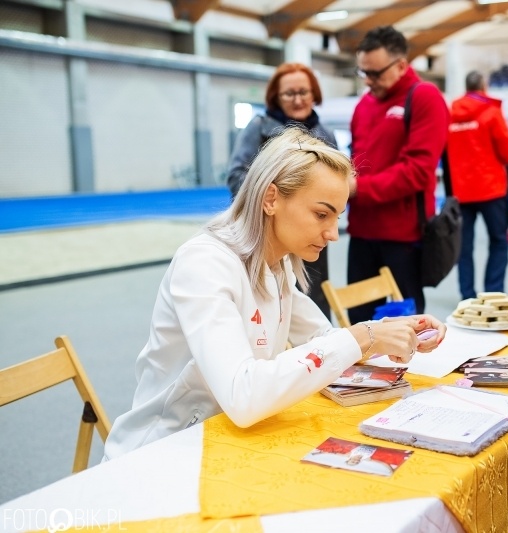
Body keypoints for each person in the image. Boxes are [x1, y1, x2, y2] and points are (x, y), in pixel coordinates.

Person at [104, 128, 446, 460]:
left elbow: (324, 337)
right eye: (321, 214)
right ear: (271, 199)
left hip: (223, 443)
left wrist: (392, 330)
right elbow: (243, 396)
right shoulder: (204, 263)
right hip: (161, 455)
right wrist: (363, 337)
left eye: (337, 217)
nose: (332, 234)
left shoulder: (276, 263)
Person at [347, 26, 449, 323]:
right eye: (362, 72)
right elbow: (356, 162)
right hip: (362, 231)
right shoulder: (364, 105)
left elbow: (417, 171)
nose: (368, 80)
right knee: (360, 322)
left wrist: (357, 189)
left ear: (402, 65)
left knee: (409, 325)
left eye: (375, 73)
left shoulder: (424, 97)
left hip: (403, 237)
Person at [225, 63, 336, 319]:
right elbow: (236, 177)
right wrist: (274, 204)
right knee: (266, 305)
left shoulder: (325, 134)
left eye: (304, 92)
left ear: (314, 94)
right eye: (289, 93)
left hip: (312, 234)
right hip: (269, 235)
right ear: (276, 96)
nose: (298, 99)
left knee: (313, 300)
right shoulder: (258, 128)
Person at [447, 71, 508, 299]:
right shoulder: (491, 112)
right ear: (484, 85)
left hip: (461, 190)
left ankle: (467, 297)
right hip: (491, 189)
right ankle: (493, 294)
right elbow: (507, 152)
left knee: (464, 247)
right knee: (498, 241)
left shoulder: (450, 113)